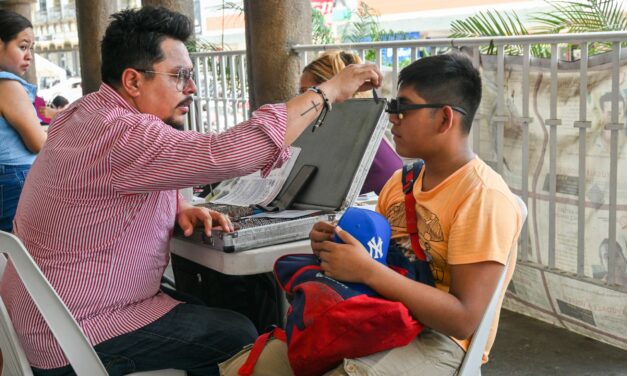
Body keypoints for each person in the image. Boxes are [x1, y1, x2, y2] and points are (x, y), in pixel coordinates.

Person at [0, 6, 382, 376]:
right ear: (133, 81)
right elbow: (227, 154)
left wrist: (176, 206)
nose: (193, 87)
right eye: (180, 75)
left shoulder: (84, 114)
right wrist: (328, 91)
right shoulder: (123, 134)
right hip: (77, 332)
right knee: (237, 331)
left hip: (39, 319)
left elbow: (107, 189)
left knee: (211, 305)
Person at [221, 53, 523, 375]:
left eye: (402, 108)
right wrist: (335, 245)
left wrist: (367, 271)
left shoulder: (482, 197)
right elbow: (376, 258)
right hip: (381, 310)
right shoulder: (401, 182)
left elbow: (462, 320)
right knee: (254, 366)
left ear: (445, 119)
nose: (391, 117)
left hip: (441, 339)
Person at [300, 50, 403, 195]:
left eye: (307, 93)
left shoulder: (344, 138)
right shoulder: (361, 130)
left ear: (333, 93)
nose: (300, 100)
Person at [0, 10, 47, 232]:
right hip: (13, 177)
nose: (29, 55)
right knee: (19, 252)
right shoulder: (7, 86)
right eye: (22, 46)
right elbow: (37, 143)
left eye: (31, 48)